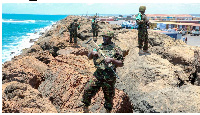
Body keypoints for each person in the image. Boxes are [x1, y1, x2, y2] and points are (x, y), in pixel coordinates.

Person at [81, 30, 124, 113]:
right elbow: (89, 57)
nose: (104, 38)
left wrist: (112, 60)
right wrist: (92, 53)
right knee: (87, 89)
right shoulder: (98, 47)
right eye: (103, 36)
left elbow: (121, 63)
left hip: (109, 76)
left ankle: (108, 111)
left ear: (110, 38)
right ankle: (85, 108)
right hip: (98, 74)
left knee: (109, 97)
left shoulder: (116, 49)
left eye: (106, 37)